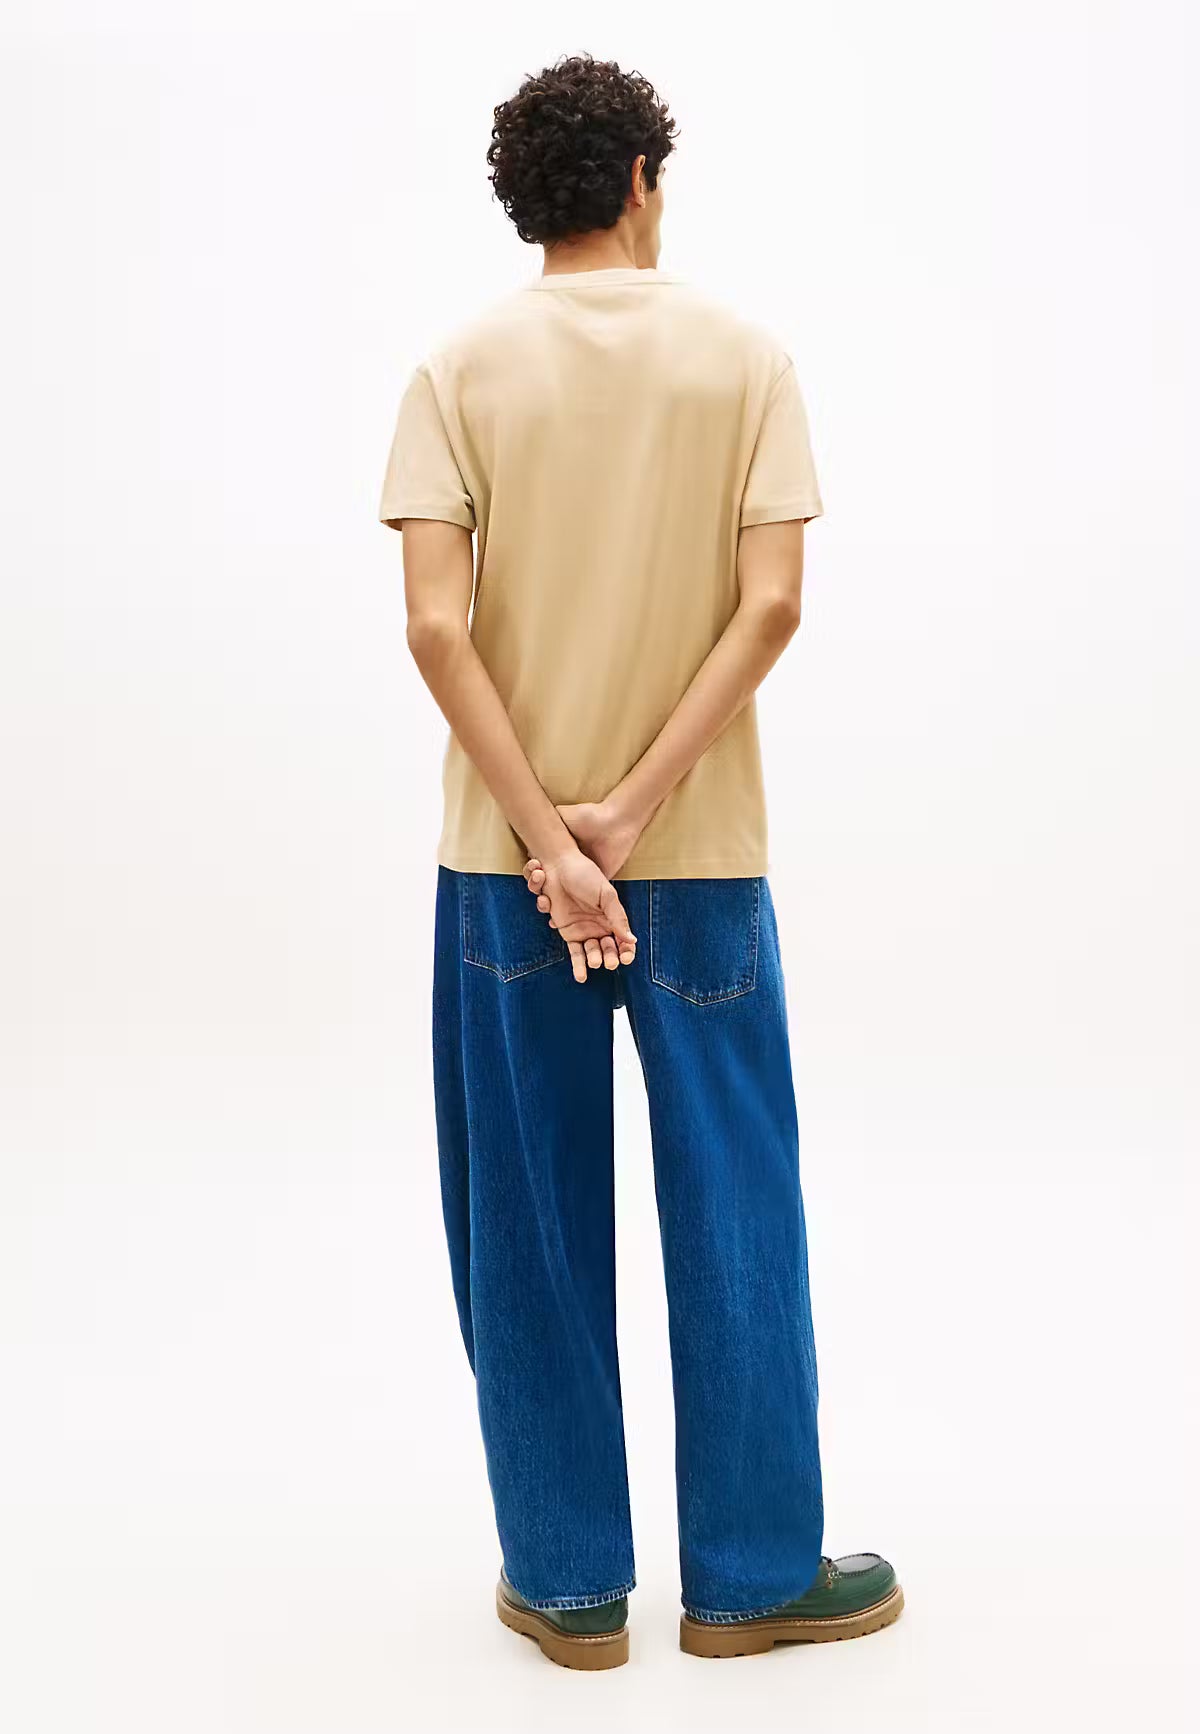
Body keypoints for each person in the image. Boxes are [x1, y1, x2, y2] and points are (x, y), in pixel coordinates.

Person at [378, 53, 902, 1669]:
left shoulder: (455, 370)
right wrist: (632, 817)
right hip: (700, 859)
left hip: (506, 868)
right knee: (737, 1198)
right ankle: (751, 1577)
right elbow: (775, 603)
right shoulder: (745, 360)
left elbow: (436, 627)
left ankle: (567, 1580)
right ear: (639, 183)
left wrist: (553, 837)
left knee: (525, 1209)